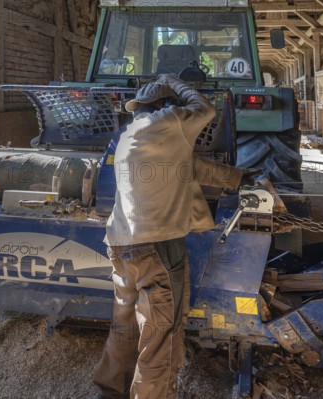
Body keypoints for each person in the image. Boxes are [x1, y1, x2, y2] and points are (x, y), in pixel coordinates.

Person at [93, 74, 249, 399]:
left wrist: (240, 179)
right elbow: (204, 109)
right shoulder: (169, 118)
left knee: (125, 321)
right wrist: (175, 83)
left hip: (121, 246)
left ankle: (109, 389)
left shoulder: (131, 134)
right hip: (157, 250)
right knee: (161, 336)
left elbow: (187, 165)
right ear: (165, 106)